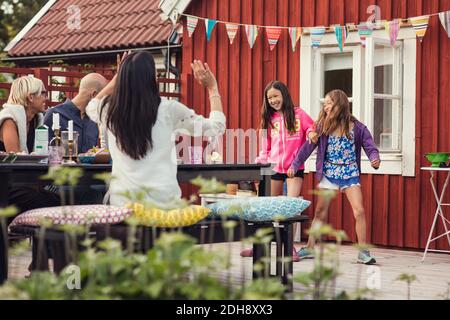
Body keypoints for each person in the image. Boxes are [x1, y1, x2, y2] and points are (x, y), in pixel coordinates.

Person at [86, 51, 226, 207]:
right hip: (163, 207)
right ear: (153, 79)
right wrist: (212, 88)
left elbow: (91, 106)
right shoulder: (169, 110)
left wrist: (115, 81)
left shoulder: (108, 109)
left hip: (123, 207)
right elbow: (216, 128)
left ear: (122, 79)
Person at [288, 89, 381, 265]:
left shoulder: (358, 127)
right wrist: (294, 165)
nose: (325, 106)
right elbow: (306, 149)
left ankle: (363, 252)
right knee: (319, 213)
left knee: (359, 211)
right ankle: (309, 248)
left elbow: (370, 146)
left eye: (329, 102)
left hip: (350, 173)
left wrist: (374, 158)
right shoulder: (322, 127)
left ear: (340, 105)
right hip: (329, 174)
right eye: (325, 103)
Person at [241, 81, 316, 262]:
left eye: (276, 96)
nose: (273, 100)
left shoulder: (299, 114)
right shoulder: (269, 119)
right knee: (266, 209)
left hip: (294, 168)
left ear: (284, 95)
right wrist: (261, 164)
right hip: (273, 168)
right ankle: (258, 245)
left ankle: (289, 248)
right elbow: (265, 148)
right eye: (269, 97)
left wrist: (312, 132)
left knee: (289, 209)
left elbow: (311, 127)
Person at [0, 76, 59, 219]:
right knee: (54, 201)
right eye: (43, 93)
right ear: (31, 97)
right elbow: (15, 158)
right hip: (6, 185)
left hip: (24, 184)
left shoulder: (35, 121)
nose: (47, 97)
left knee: (62, 197)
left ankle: (42, 239)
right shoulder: (9, 119)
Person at [44, 73, 107, 153]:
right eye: (104, 98)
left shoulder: (94, 119)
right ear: (94, 95)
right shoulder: (55, 114)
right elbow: (44, 152)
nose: (106, 102)